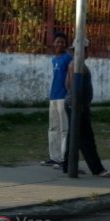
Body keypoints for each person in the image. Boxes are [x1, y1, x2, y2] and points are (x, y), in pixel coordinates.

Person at [59, 38, 110, 178]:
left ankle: (68, 166)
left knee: (74, 137)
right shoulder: (77, 66)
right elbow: (73, 86)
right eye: (85, 50)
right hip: (77, 106)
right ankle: (97, 169)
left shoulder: (75, 64)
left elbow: (67, 85)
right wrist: (79, 105)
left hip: (74, 104)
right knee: (86, 138)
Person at [41, 33, 73, 167]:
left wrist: (69, 94)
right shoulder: (54, 60)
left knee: (64, 129)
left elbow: (70, 77)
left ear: (65, 44)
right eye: (57, 42)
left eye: (62, 42)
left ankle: (64, 159)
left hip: (63, 97)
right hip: (53, 96)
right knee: (53, 127)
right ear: (53, 44)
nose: (60, 44)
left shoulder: (68, 58)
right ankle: (54, 157)